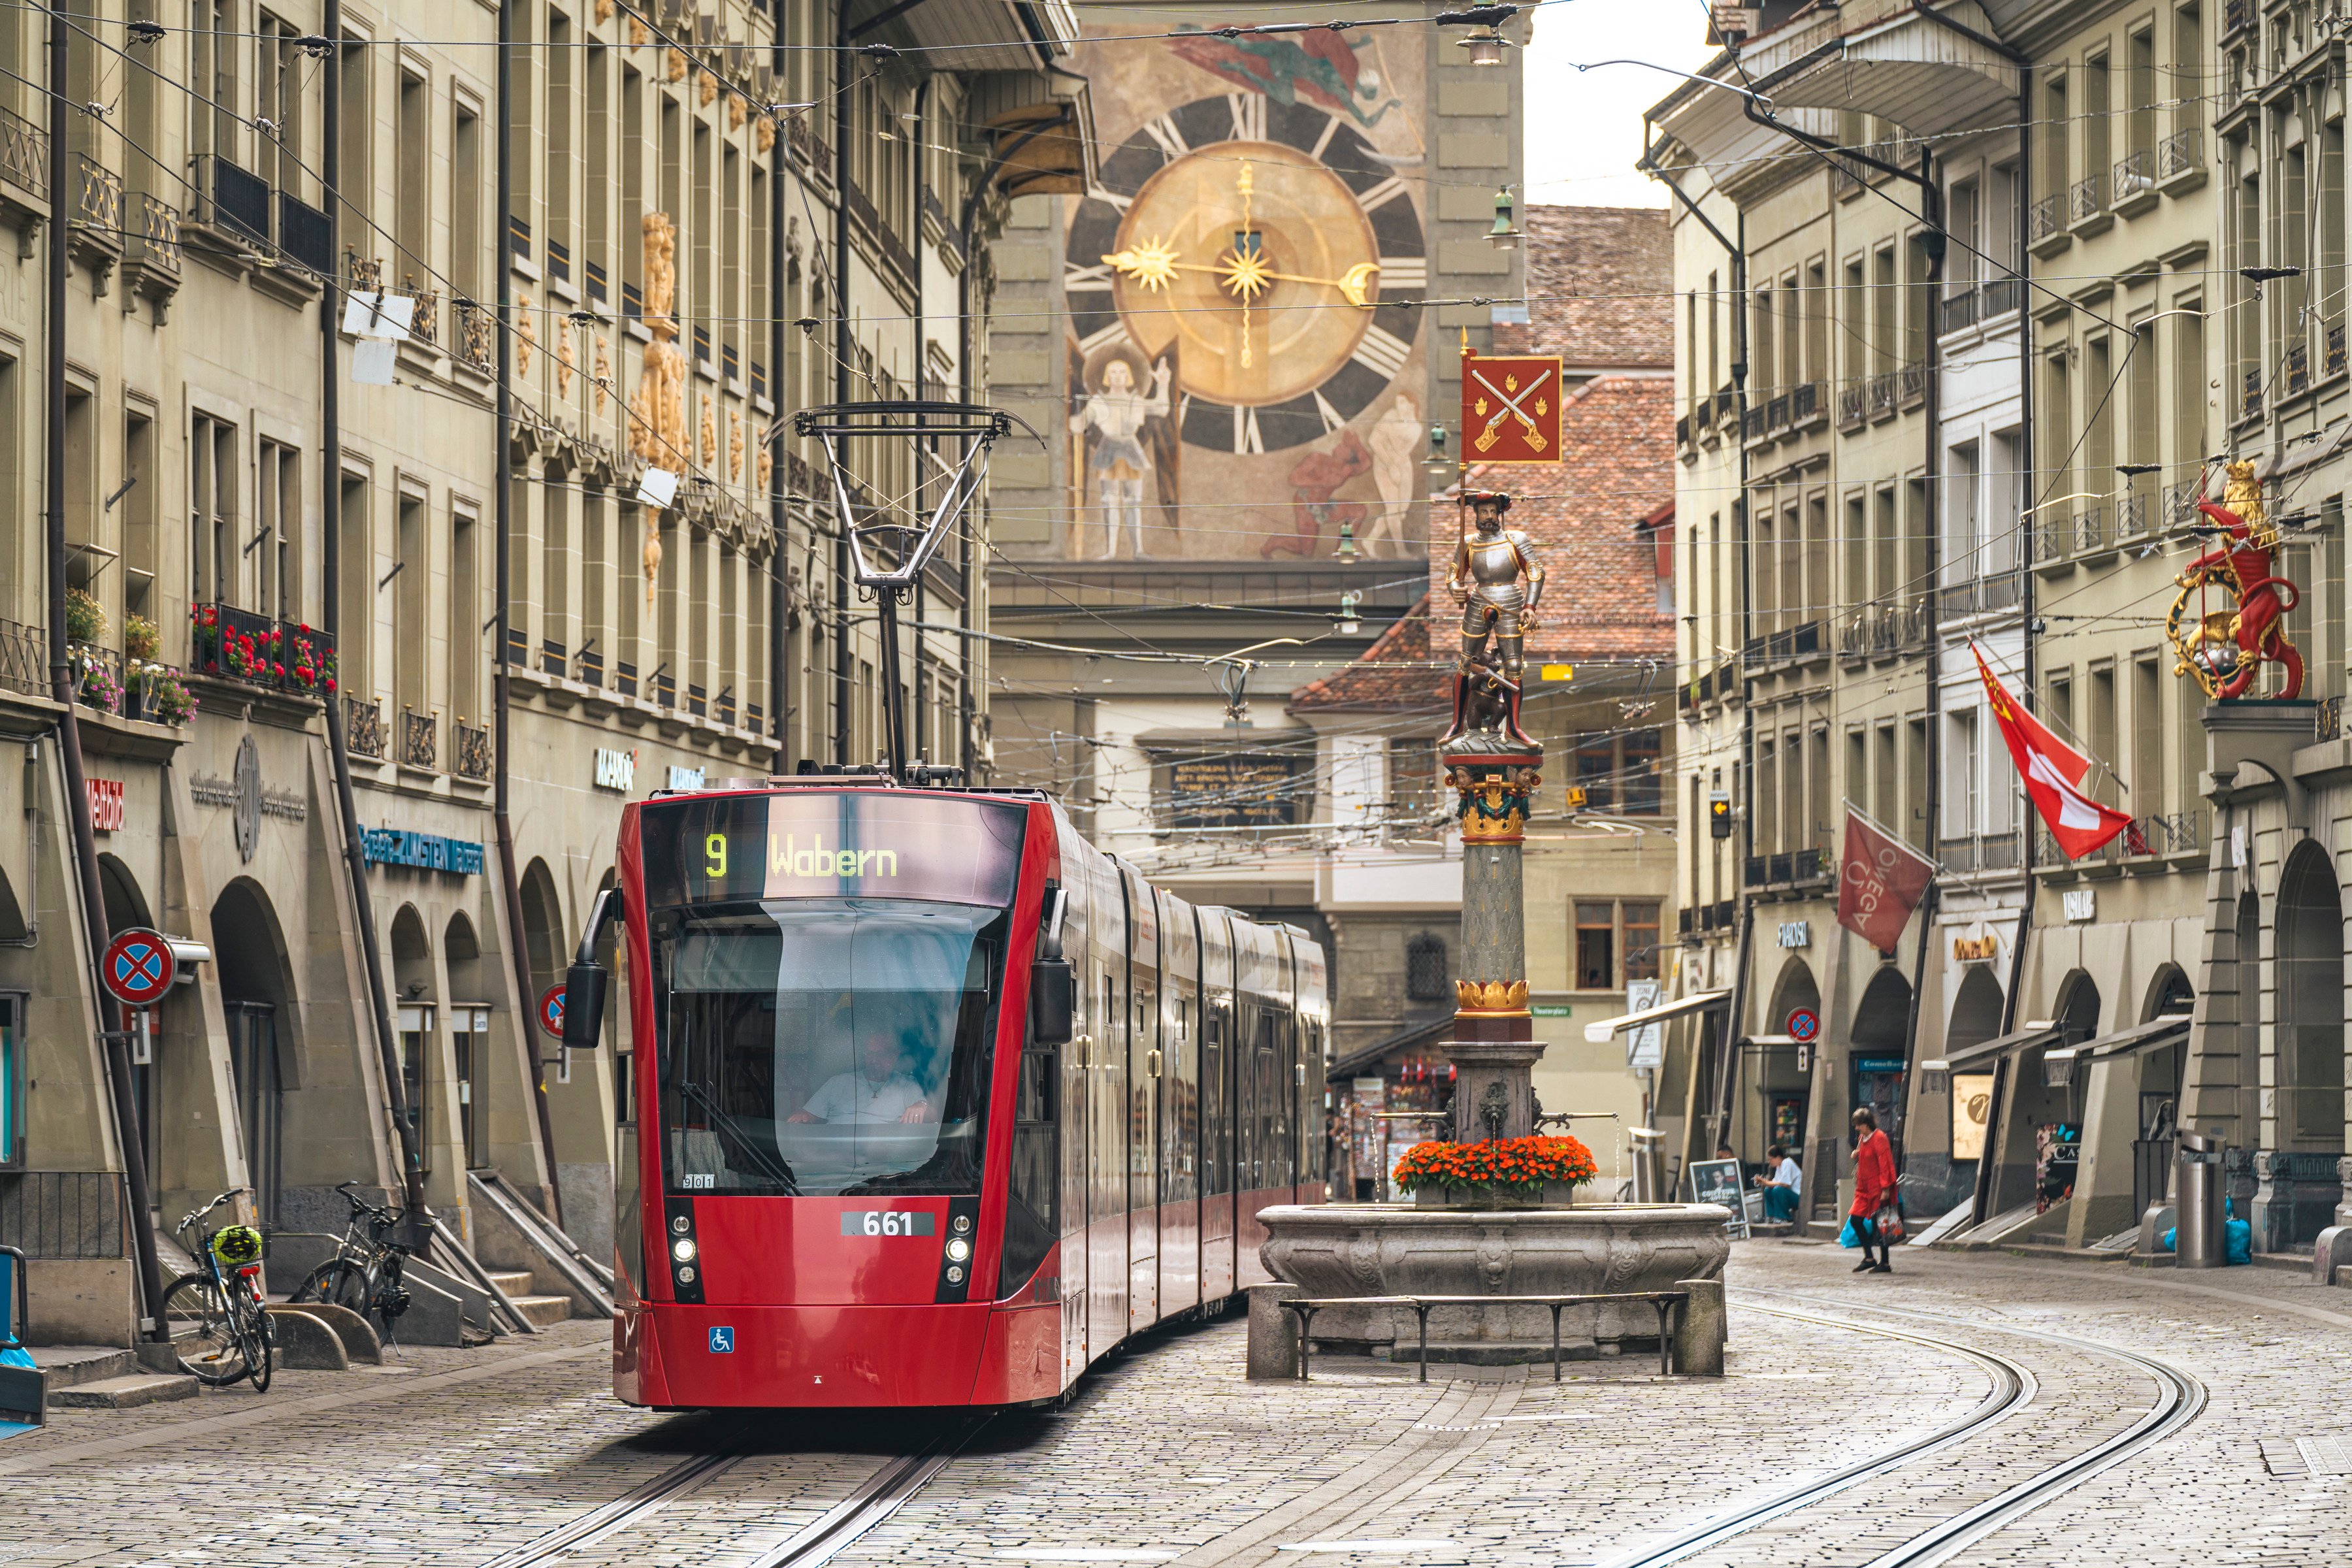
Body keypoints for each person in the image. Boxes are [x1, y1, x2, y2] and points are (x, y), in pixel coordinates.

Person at [789, 1029, 933, 1126]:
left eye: (881, 1054)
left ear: (894, 1056)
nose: (874, 1059)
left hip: (886, 1158)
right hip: (834, 1156)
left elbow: (932, 1115)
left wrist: (921, 1106)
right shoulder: (838, 1082)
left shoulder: (906, 1084)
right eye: (870, 1053)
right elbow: (808, 1114)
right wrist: (802, 1117)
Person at [1849, 1107, 1897, 1273]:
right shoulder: (1863, 1138)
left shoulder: (1880, 1138)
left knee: (1881, 1224)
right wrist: (1857, 1153)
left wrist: (1886, 1188)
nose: (1856, 1129)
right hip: (1863, 1188)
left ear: (1866, 1123)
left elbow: (1885, 1164)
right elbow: (1866, 1155)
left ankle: (1885, 1263)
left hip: (1877, 1187)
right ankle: (1869, 1258)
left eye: (1858, 1125)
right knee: (1855, 1220)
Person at [1754, 1143, 1802, 1223]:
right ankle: (1772, 1217)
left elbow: (1784, 1184)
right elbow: (1774, 1183)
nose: (1770, 1162)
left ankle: (1784, 1217)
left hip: (1797, 1198)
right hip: (1788, 1197)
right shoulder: (1779, 1168)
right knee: (1768, 1190)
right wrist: (1763, 1182)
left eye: (1771, 1159)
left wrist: (1765, 1182)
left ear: (1778, 1157)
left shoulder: (1787, 1162)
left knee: (1778, 1190)